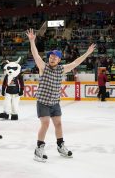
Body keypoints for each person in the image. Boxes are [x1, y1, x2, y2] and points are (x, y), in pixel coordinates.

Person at [26, 29, 96, 162]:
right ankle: (38, 149)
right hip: (43, 101)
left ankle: (60, 146)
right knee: (45, 123)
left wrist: (87, 52)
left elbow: (76, 62)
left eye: (55, 57)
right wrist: (32, 41)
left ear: (59, 59)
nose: (52, 59)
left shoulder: (61, 69)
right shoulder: (43, 67)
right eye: (51, 57)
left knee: (58, 124)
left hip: (55, 102)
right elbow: (36, 56)